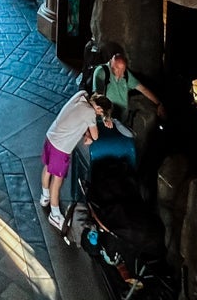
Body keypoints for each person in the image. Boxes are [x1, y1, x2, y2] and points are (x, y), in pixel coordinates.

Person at [40, 91, 113, 228]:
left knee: (48, 168)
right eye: (99, 113)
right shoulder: (90, 113)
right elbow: (96, 136)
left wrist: (86, 133)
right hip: (61, 147)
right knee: (57, 180)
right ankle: (55, 215)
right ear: (98, 109)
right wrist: (92, 132)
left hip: (51, 136)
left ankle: (45, 196)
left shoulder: (81, 95)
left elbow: (79, 119)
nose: (97, 115)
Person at [89, 49, 165, 125]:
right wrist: (106, 117)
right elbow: (97, 98)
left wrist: (158, 104)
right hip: (105, 120)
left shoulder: (125, 74)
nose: (121, 74)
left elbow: (143, 89)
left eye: (123, 70)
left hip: (122, 120)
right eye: (118, 70)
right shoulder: (101, 72)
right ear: (112, 64)